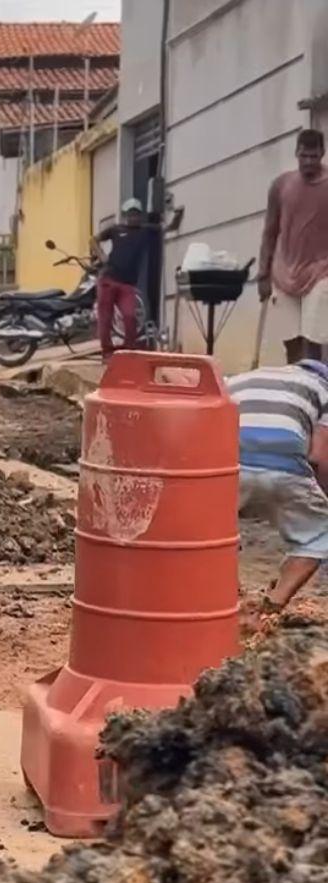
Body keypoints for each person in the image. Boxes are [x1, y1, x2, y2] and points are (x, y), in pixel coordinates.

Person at [229, 340, 328, 610]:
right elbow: (320, 456)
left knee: (216, 537)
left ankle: (230, 599)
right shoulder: (323, 388)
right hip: (283, 466)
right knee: (319, 535)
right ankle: (271, 607)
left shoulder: (242, 379)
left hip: (225, 466)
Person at [258, 128, 328, 364]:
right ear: (296, 153)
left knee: (313, 341)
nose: (308, 161)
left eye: (313, 156)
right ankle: (295, 391)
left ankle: (315, 393)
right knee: (291, 344)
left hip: (320, 272)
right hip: (284, 273)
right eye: (304, 156)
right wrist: (263, 275)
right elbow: (269, 232)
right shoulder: (280, 185)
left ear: (322, 153)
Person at [91, 198, 153, 359]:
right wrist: (102, 255)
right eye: (130, 214)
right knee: (105, 317)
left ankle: (128, 350)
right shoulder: (116, 230)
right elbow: (93, 240)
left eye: (136, 214)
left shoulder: (145, 232)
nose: (133, 218)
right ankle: (107, 352)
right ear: (125, 215)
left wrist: (175, 218)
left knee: (130, 316)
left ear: (140, 216)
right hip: (109, 280)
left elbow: (166, 229)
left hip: (127, 284)